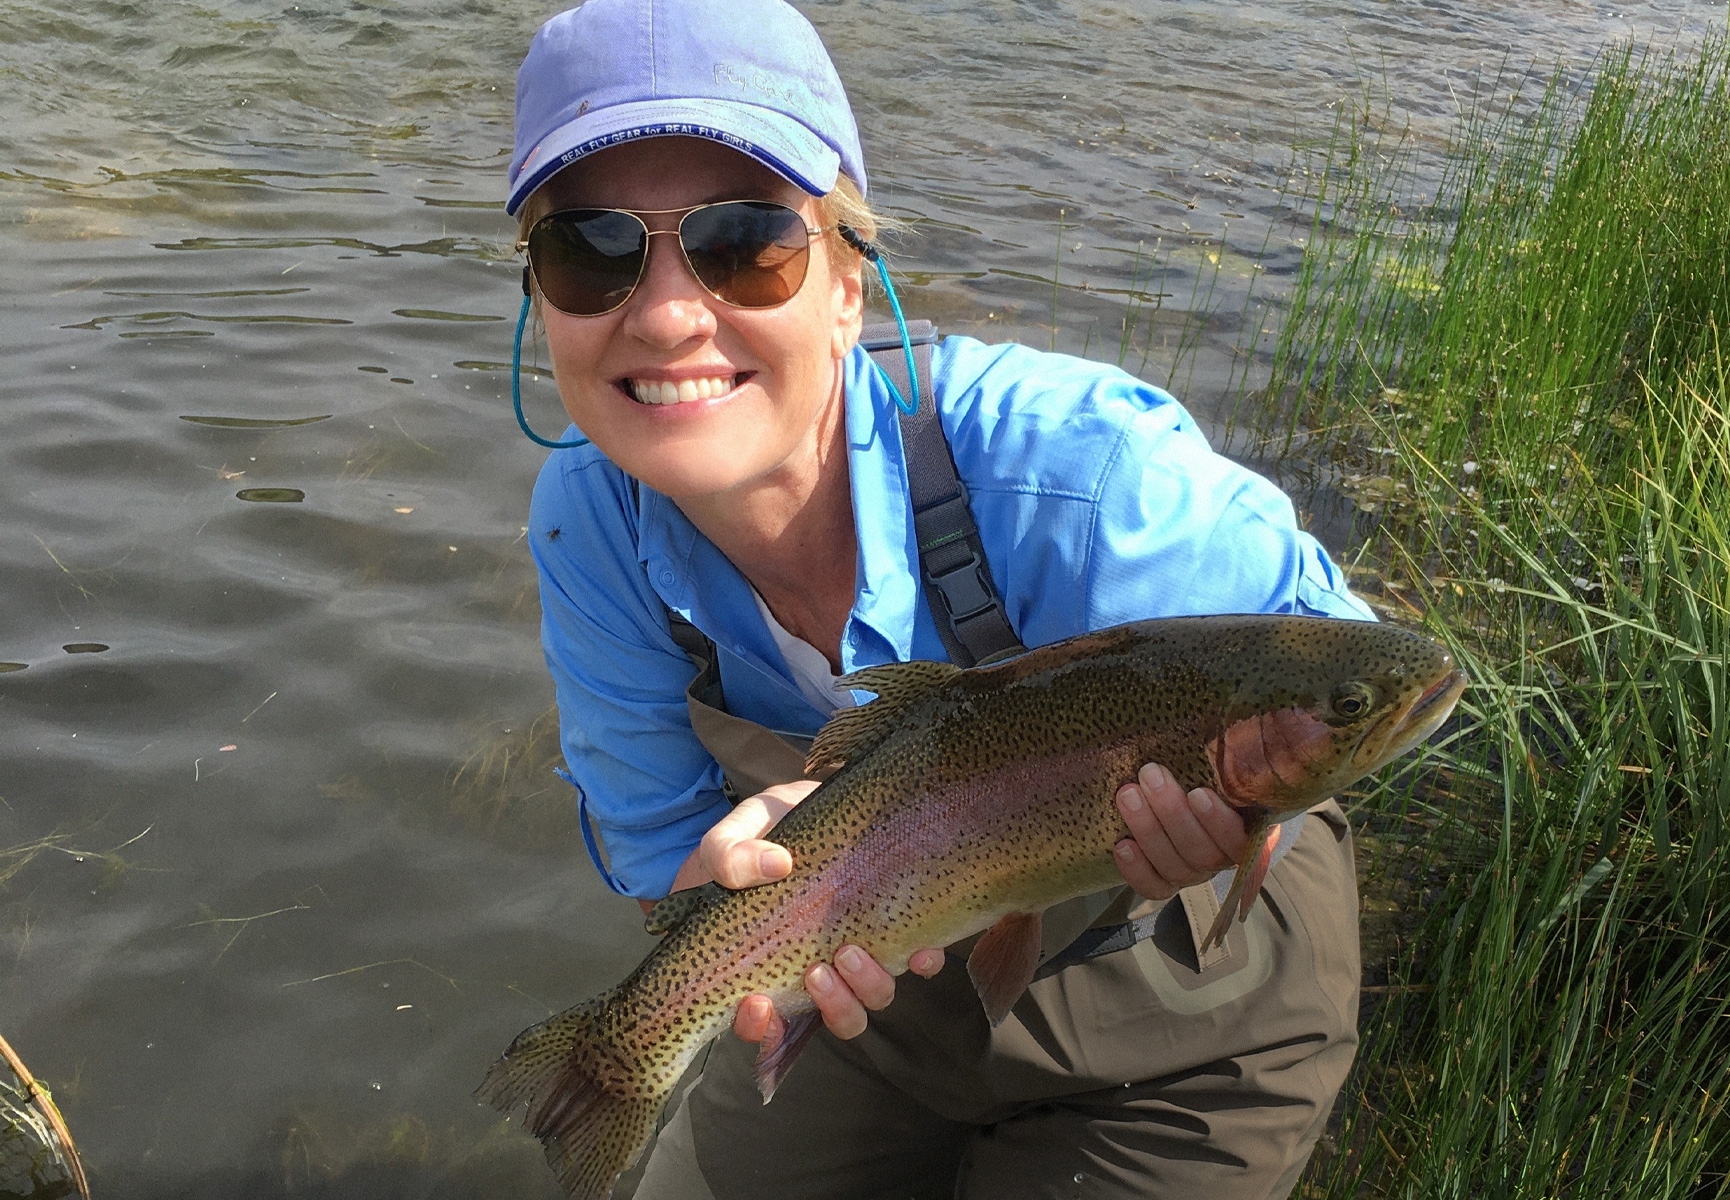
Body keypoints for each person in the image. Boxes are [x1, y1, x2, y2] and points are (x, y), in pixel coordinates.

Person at [505, 1, 1375, 1196]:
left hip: (1191, 1011)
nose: (662, 314)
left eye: (747, 241)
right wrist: (722, 894)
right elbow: (663, 854)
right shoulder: (587, 519)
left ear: (849, 284)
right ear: (540, 300)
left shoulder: (1087, 477)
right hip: (871, 966)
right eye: (592, 251)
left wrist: (1217, 817)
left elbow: (1355, 669)